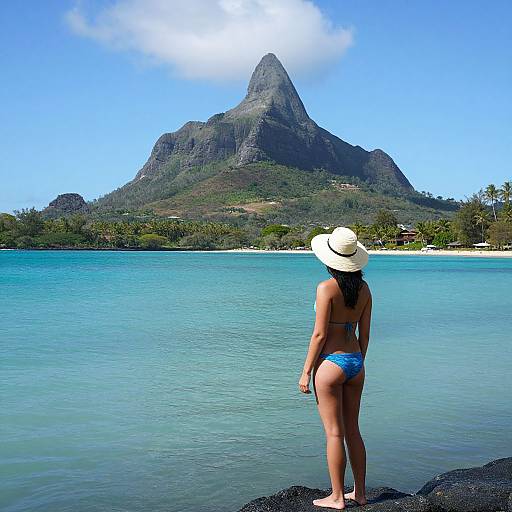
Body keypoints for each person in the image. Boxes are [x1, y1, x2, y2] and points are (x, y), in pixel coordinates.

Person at [299, 227, 372, 510]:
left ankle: (338, 497)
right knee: (353, 429)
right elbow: (364, 335)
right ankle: (360, 493)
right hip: (356, 362)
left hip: (330, 363)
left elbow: (318, 335)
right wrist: (359, 361)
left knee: (334, 433)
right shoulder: (365, 289)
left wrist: (306, 372)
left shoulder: (326, 288)